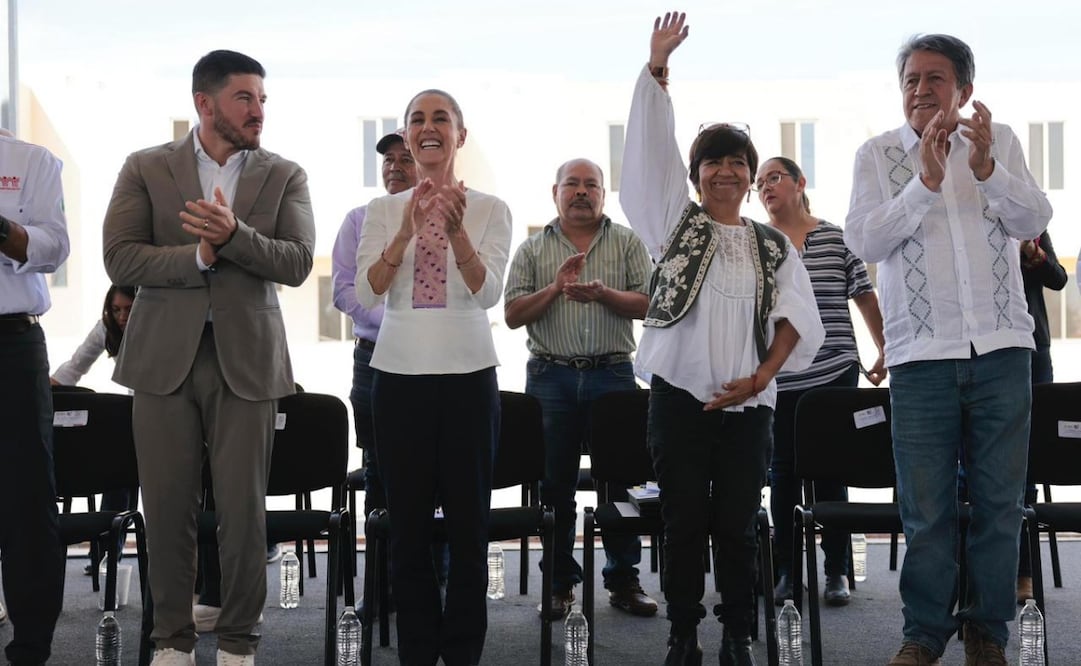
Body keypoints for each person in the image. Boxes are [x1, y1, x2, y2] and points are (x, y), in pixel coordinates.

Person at [621, 13, 824, 666]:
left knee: (737, 526)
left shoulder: (772, 245)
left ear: (750, 175)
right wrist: (658, 69)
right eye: (714, 162)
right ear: (697, 174)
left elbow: (797, 318)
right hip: (678, 399)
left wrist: (761, 377)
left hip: (748, 405)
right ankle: (683, 634)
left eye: (738, 162)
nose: (727, 171)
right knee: (682, 523)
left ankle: (737, 634)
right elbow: (650, 156)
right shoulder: (672, 224)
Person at [844, 33, 1052, 666]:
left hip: (1002, 348)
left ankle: (987, 632)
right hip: (919, 356)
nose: (920, 89)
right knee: (926, 508)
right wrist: (923, 185)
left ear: (964, 90)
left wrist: (988, 171)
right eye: (910, 79)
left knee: (999, 504)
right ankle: (924, 635)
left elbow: (1033, 220)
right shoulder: (878, 154)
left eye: (935, 78)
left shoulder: (999, 141)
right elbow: (864, 241)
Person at [102, 50, 315, 666]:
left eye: (262, 99)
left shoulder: (285, 174)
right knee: (166, 509)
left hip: (247, 360)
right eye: (245, 97)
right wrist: (198, 258)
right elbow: (120, 257)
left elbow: (298, 262)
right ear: (205, 102)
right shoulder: (145, 166)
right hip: (160, 360)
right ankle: (171, 640)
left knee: (244, 513)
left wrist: (233, 237)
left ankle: (239, 644)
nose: (258, 110)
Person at [356, 89, 512, 666]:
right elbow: (368, 292)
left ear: (459, 136)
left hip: (469, 376)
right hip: (399, 378)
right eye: (417, 119)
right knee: (408, 528)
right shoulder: (380, 212)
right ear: (406, 135)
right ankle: (418, 652)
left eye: (440, 118)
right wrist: (405, 231)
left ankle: (463, 651)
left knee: (470, 527)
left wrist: (457, 229)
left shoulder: (491, 208)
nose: (428, 128)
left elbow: (488, 293)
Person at [504, 158, 658, 620]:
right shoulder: (533, 248)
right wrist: (555, 288)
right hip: (550, 376)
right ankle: (558, 584)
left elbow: (650, 304)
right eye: (571, 184)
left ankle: (624, 580)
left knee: (621, 483)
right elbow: (512, 314)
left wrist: (603, 295)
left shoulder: (627, 241)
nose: (581, 192)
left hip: (613, 375)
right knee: (554, 485)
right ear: (555, 192)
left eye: (591, 185)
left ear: (603, 195)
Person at [757, 156, 887, 608]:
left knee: (832, 470)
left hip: (835, 370)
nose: (766, 187)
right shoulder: (759, 244)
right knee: (784, 472)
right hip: (781, 374)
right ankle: (787, 572)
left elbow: (864, 296)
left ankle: (837, 570)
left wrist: (884, 348)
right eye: (760, 182)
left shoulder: (836, 237)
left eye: (774, 177)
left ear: (800, 183)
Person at [0, 129, 70, 664]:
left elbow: (53, 248)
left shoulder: (31, 160)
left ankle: (30, 647)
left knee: (26, 497)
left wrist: (4, 230)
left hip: (11, 342)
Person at [332, 130, 416, 522]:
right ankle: (382, 563)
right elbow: (344, 291)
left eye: (405, 159)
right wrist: (398, 322)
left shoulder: (443, 218)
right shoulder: (358, 220)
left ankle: (434, 563)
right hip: (372, 359)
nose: (394, 167)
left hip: (428, 358)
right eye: (388, 160)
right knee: (378, 469)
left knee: (430, 468)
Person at [50, 284, 141, 572]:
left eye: (129, 309)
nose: (122, 316)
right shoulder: (106, 328)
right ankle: (106, 552)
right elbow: (74, 368)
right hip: (136, 413)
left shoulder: (159, 324)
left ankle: (112, 551)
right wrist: (40, 391)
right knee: (119, 466)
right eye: (116, 310)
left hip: (164, 409)